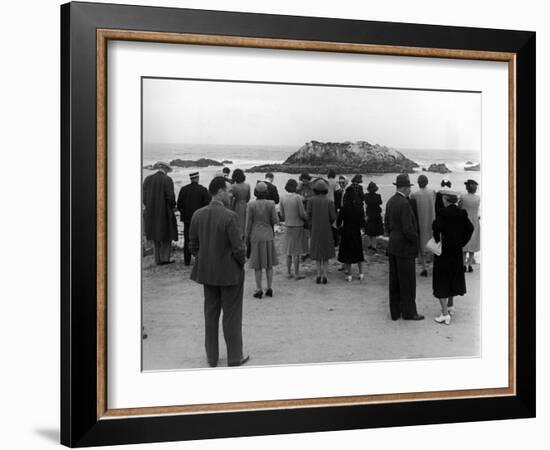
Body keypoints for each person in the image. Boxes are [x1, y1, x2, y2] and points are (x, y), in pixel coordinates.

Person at [188, 176, 249, 368]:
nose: (231, 194)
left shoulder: (198, 215)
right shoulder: (230, 216)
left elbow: (193, 245)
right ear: (220, 191)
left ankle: (212, 358)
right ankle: (234, 357)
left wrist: (205, 259)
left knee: (210, 315)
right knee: (232, 315)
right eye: (229, 190)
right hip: (230, 274)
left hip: (208, 273)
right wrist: (241, 263)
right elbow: (239, 248)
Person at [384, 174, 424, 321]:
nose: (409, 191)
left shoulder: (390, 201)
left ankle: (395, 312)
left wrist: (394, 236)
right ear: (405, 187)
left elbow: (387, 224)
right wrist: (416, 241)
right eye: (409, 188)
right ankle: (409, 312)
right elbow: (408, 229)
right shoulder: (405, 204)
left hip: (393, 245)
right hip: (405, 248)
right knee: (407, 282)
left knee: (394, 281)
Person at [432, 190, 474, 325]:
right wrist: (462, 242)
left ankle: (445, 314)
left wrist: (438, 236)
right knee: (452, 278)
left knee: (441, 280)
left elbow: (436, 230)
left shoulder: (442, 213)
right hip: (456, 251)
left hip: (444, 251)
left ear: (445, 199)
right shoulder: (462, 213)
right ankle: (450, 306)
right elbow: (470, 228)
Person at [245, 182, 279, 298]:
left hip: (255, 235)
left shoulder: (251, 205)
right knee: (269, 264)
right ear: (266, 192)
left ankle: (259, 289)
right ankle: (269, 288)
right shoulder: (271, 203)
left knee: (257, 265)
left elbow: (248, 223)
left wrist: (246, 237)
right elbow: (275, 220)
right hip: (268, 235)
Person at [143, 161, 178, 265]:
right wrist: (172, 207)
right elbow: (171, 198)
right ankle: (164, 259)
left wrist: (149, 206)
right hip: (164, 212)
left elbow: (144, 198)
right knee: (167, 236)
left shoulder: (148, 179)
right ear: (166, 169)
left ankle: (157, 259)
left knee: (155, 236)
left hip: (150, 212)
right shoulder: (167, 179)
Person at [176, 171, 211, 265]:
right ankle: (199, 259)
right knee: (200, 239)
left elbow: (179, 204)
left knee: (187, 239)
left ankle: (187, 261)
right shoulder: (203, 189)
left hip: (187, 219)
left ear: (190, 178)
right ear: (197, 178)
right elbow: (208, 205)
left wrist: (184, 213)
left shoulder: (183, 189)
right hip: (199, 219)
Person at [308, 179, 337, 284]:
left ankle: (318, 275)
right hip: (326, 229)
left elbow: (308, 216)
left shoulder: (311, 201)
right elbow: (333, 217)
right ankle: (325, 275)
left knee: (317, 253)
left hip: (315, 229)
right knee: (325, 253)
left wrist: (312, 224)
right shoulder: (329, 202)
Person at [279, 179, 307, 280]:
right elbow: (302, 213)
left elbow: (281, 214)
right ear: (295, 187)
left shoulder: (282, 198)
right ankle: (296, 273)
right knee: (296, 252)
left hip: (287, 225)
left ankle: (288, 272)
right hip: (297, 225)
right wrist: (306, 219)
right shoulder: (297, 198)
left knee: (288, 251)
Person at [337, 186, 366, 281]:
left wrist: (339, 229)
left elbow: (338, 222)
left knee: (347, 254)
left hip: (347, 231)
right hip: (356, 232)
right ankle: (361, 273)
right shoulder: (359, 208)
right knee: (358, 253)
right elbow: (363, 223)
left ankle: (349, 275)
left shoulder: (344, 208)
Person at [410, 174, 436, 276]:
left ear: (418, 183)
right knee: (433, 245)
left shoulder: (414, 195)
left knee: (422, 246)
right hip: (431, 221)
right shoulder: (432, 193)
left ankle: (424, 267)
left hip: (421, 222)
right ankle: (434, 267)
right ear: (427, 182)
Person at [460, 179, 481, 272]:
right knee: (472, 246)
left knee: (464, 246)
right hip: (475, 222)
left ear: (467, 188)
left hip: (464, 223)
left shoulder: (463, 197)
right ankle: (470, 265)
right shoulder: (478, 198)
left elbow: (460, 208)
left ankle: (464, 265)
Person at [297, 172, 314, 259]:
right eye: (303, 181)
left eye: (306, 181)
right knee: (304, 234)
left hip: (310, 212)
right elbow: (296, 195)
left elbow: (314, 197)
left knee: (309, 233)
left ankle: (309, 251)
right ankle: (305, 251)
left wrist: (306, 199)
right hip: (302, 212)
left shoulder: (312, 187)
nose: (304, 182)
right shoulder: (300, 187)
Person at [363, 181, 384, 252]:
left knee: (369, 230)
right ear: (375, 189)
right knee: (374, 231)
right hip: (376, 214)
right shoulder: (378, 196)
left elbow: (365, 202)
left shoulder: (366, 196)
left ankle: (369, 244)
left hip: (369, 214)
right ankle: (374, 246)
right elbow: (380, 202)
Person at [230, 169, 251, 239]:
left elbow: (231, 198)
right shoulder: (247, 185)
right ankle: (245, 235)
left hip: (237, 205)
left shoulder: (233, 186)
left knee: (237, 222)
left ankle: (239, 236)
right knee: (245, 221)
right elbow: (248, 197)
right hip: (245, 204)